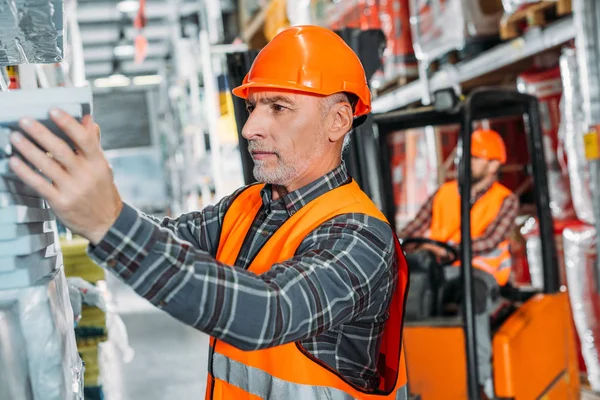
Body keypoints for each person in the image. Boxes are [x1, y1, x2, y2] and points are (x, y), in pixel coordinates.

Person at [8, 26, 409, 400]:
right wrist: (87, 193)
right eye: (253, 107)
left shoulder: (360, 237)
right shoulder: (247, 205)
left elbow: (267, 312)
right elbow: (164, 238)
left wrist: (108, 223)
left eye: (278, 107)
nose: (250, 127)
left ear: (337, 121)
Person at [399, 128, 519, 398]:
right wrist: (404, 241)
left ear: (494, 163)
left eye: (474, 157)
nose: (465, 162)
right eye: (466, 156)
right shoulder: (445, 192)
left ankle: (480, 381)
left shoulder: (505, 199)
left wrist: (447, 249)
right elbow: (413, 230)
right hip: (442, 271)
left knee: (471, 295)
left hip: (482, 275)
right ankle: (415, 378)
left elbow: (490, 240)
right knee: (404, 295)